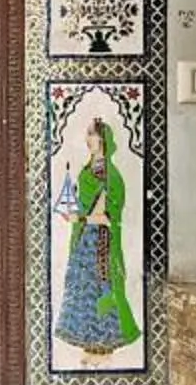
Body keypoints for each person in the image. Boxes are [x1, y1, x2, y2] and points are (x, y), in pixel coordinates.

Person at [55, 117, 139, 359]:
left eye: (92, 135)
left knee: (101, 288)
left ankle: (105, 346)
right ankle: (90, 345)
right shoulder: (88, 168)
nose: (88, 139)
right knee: (83, 289)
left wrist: (78, 220)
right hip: (85, 241)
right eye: (88, 135)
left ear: (103, 140)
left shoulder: (108, 175)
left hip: (99, 242)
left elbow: (105, 217)